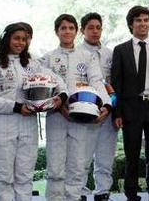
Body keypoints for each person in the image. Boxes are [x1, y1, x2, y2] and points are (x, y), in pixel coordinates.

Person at [0, 22, 66, 201]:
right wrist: (17, 107)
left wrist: (62, 96)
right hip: (3, 124)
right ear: (7, 39)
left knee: (25, 177)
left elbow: (56, 79)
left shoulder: (33, 63)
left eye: (24, 39)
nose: (20, 42)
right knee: (4, 179)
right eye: (16, 38)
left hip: (28, 124)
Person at [41, 14, 112, 201]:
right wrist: (58, 106)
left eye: (70, 28)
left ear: (76, 31)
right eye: (63, 28)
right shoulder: (47, 59)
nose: (67, 31)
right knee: (56, 167)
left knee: (77, 167)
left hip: (81, 117)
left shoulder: (87, 57)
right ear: (56, 31)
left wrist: (107, 105)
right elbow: (43, 89)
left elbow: (97, 82)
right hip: (56, 117)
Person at [110, 6, 149, 201]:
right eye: (138, 20)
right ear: (130, 24)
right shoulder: (121, 50)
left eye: (146, 20)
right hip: (130, 108)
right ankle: (132, 194)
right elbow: (116, 84)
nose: (143, 23)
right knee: (132, 155)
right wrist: (116, 113)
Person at [79, 12, 117, 201]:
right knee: (83, 157)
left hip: (108, 111)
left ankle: (102, 192)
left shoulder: (111, 54)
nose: (95, 31)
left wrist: (113, 107)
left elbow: (115, 83)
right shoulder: (77, 53)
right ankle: (82, 192)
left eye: (98, 27)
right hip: (85, 111)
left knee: (105, 156)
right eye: (91, 28)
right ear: (82, 30)